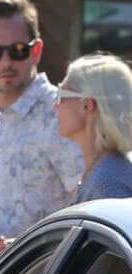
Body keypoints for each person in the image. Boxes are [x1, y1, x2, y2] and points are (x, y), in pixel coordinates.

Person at [0, 0, 82, 267]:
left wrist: (24, 247)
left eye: (17, 50)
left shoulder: (62, 114)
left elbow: (92, 211)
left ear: (36, 51)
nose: (6, 62)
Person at [54, 53, 132, 203]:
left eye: (60, 95)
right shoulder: (105, 170)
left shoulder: (108, 183)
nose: (55, 105)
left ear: (87, 105)